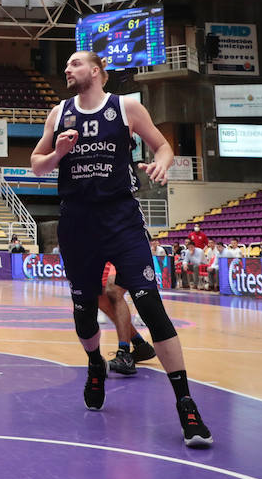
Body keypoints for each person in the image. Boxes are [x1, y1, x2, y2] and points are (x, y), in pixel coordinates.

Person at [30, 51, 211, 448]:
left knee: (150, 305)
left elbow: (163, 147)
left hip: (121, 218)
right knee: (83, 309)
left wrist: (162, 163)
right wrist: (58, 153)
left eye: (74, 63)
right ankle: (96, 363)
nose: (66, 68)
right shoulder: (58, 113)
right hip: (76, 221)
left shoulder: (127, 106)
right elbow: (36, 166)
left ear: (96, 71)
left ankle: (186, 404)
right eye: (67, 64)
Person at [100, 264, 156, 377]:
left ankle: (124, 354)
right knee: (99, 296)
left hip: (123, 251)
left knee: (114, 289)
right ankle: (140, 345)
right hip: (101, 253)